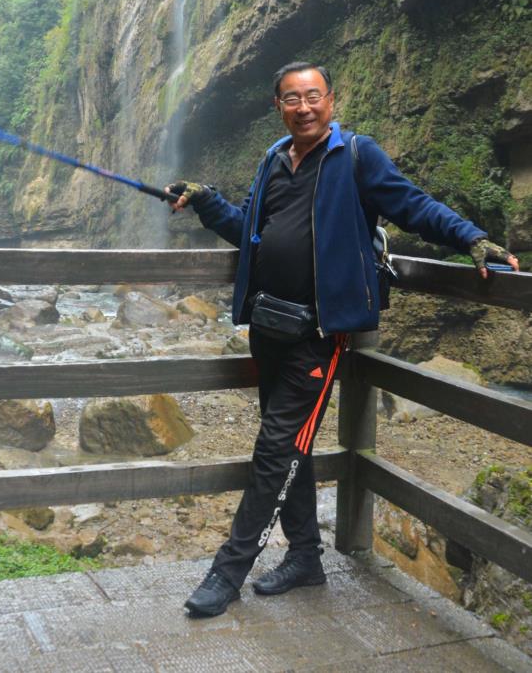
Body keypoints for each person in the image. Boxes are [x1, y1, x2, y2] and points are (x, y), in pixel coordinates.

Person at [167, 61, 519, 618]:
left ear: (331, 100)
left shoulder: (356, 155)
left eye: (312, 96)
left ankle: (227, 571)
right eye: (291, 98)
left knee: (276, 447)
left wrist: (469, 236)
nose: (303, 107)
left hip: (318, 332)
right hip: (269, 326)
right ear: (278, 106)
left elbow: (413, 205)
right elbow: (252, 234)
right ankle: (305, 557)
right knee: (291, 447)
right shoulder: (272, 160)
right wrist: (208, 202)